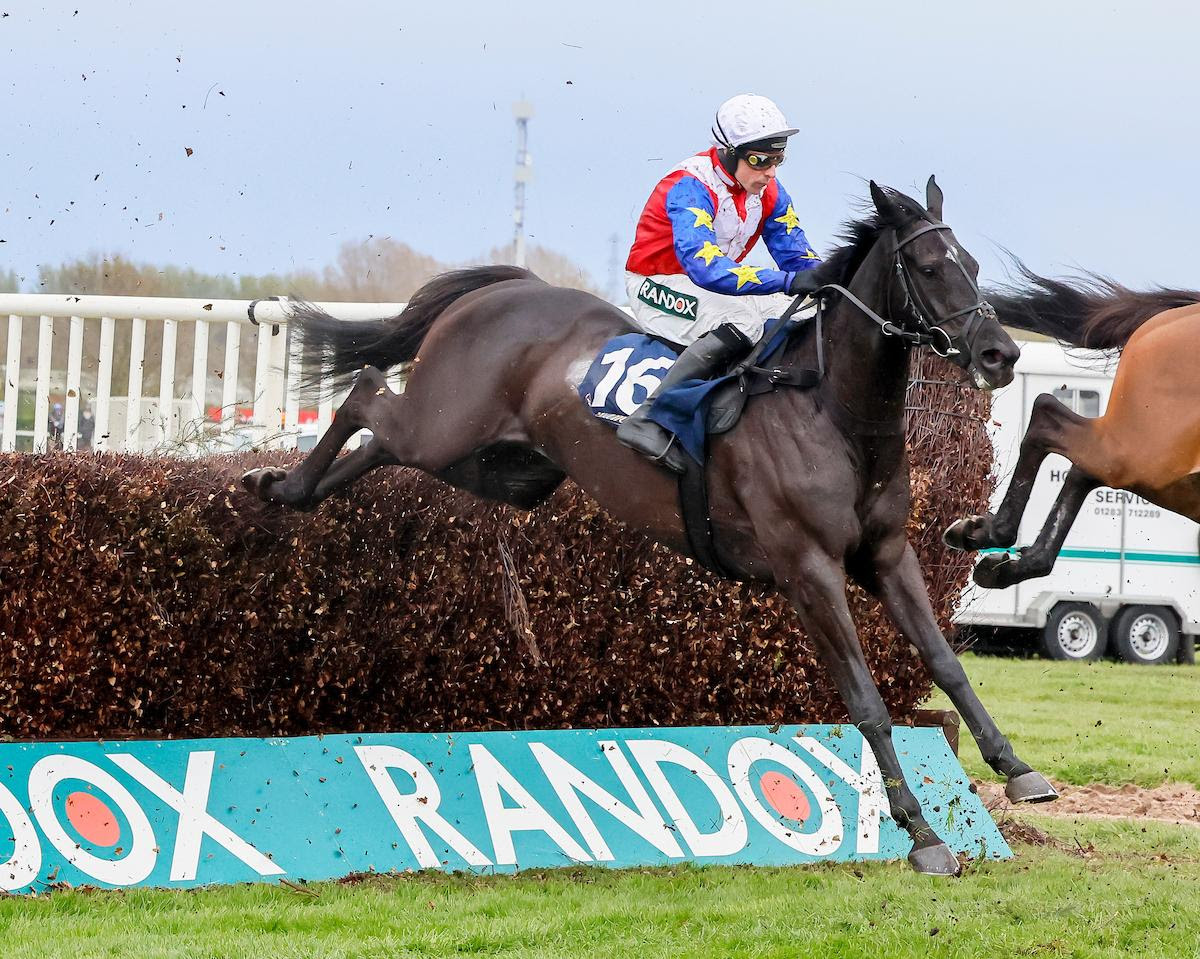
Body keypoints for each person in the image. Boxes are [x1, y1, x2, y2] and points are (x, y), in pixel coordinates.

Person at [618, 93, 823, 467]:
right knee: (743, 321)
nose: (771, 172)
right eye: (760, 160)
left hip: (712, 286)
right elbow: (706, 268)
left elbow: (799, 258)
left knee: (807, 309)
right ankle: (648, 416)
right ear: (729, 153)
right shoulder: (689, 186)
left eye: (778, 159)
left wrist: (831, 278)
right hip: (658, 282)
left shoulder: (771, 193)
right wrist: (788, 280)